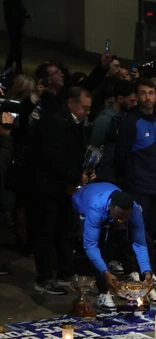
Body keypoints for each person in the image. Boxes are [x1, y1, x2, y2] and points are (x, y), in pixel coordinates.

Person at [31, 85, 91, 296]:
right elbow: (52, 157)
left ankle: (65, 272)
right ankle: (45, 276)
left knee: (65, 231)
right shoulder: (54, 122)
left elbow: (78, 154)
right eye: (84, 107)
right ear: (71, 103)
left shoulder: (78, 124)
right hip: (48, 187)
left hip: (67, 188)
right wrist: (76, 176)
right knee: (46, 233)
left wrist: (85, 172)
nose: (87, 112)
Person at [114, 78, 156, 279]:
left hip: (155, 186)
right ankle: (133, 270)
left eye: (151, 93)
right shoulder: (131, 122)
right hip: (137, 186)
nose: (147, 97)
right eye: (143, 93)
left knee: (150, 231)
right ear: (136, 96)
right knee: (136, 230)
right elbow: (121, 155)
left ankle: (146, 270)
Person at [74, 183, 154, 309]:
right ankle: (103, 293)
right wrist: (105, 272)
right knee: (100, 245)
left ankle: (128, 279)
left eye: (125, 217)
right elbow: (90, 245)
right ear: (110, 208)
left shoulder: (135, 210)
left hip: (108, 194)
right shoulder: (96, 208)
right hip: (82, 201)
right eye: (118, 217)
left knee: (144, 240)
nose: (122, 220)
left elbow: (140, 243)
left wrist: (147, 271)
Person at [90, 80, 135, 184]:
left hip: (119, 174)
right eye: (131, 101)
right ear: (120, 99)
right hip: (104, 176)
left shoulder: (126, 118)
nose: (134, 104)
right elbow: (93, 148)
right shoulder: (104, 120)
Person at [3, 0, 29, 74]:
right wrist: (25, 16)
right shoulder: (13, 2)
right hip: (15, 27)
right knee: (15, 48)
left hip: (13, 26)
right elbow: (17, 12)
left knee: (16, 49)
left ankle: (16, 69)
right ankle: (9, 69)